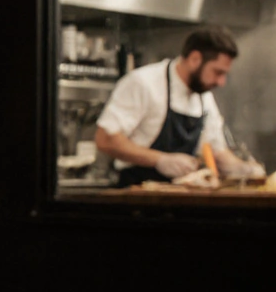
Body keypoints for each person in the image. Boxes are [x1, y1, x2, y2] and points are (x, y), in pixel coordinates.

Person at [95, 27, 261, 187]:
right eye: (218, 72)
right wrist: (159, 159)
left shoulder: (205, 97)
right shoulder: (143, 83)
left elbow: (217, 152)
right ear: (195, 59)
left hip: (180, 197)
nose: (221, 82)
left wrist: (244, 169)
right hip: (137, 196)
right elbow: (105, 139)